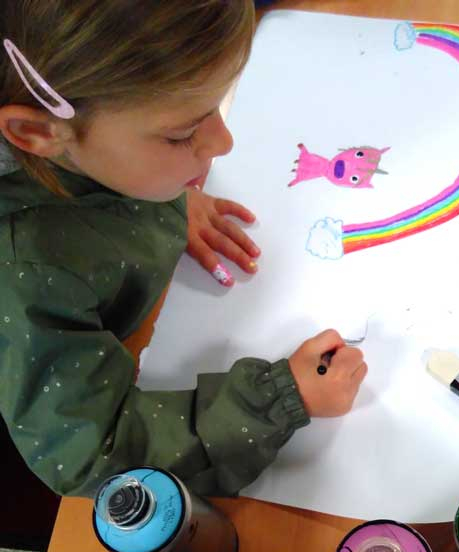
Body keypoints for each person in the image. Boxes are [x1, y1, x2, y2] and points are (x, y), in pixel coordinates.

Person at [0, 0, 367, 499]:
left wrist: (165, 194)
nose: (223, 142)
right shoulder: (27, 267)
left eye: (217, 108)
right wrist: (278, 400)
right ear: (39, 133)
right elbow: (94, 456)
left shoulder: (86, 145)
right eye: (182, 134)